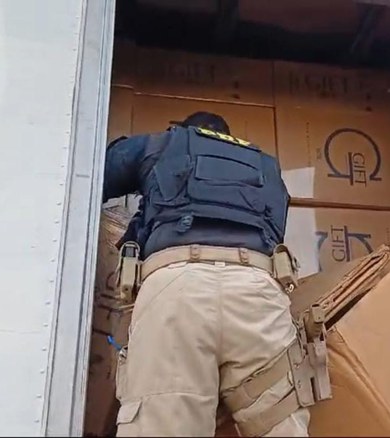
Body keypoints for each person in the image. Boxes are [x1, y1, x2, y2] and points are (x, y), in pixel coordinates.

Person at [102, 112, 313, 437]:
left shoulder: (164, 144)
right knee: (281, 426)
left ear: (187, 131)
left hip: (177, 292)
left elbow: (94, 174)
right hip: (259, 292)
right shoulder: (267, 166)